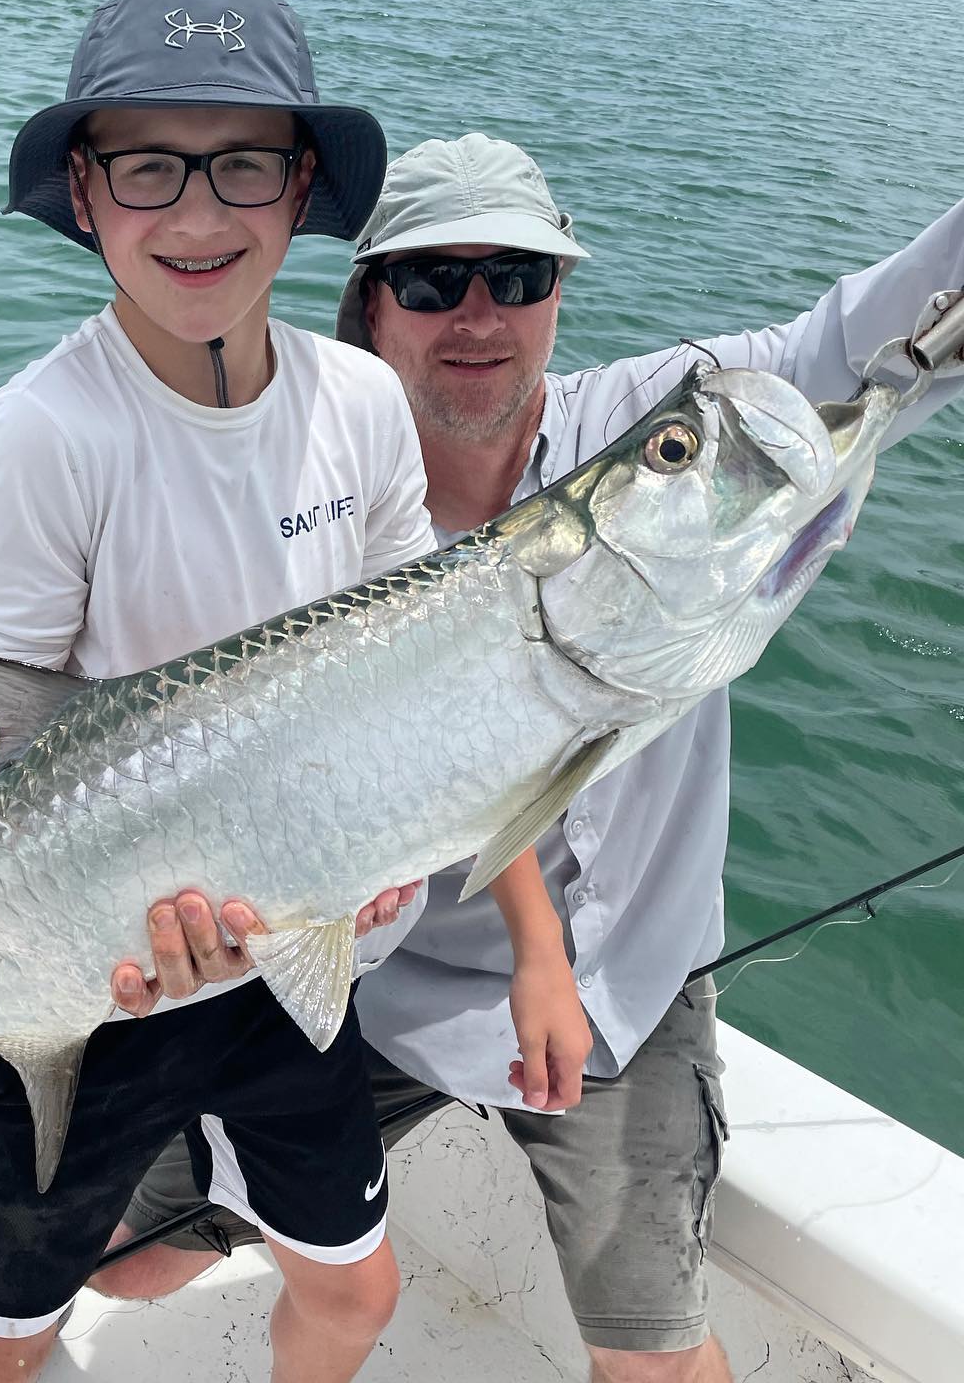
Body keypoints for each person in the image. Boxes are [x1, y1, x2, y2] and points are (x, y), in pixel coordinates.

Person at [100, 133, 964, 1383]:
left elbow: (869, 340)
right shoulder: (308, 511)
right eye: (433, 280)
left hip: (627, 986)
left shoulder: (666, 422)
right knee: (142, 1254)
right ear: (370, 305)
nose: (480, 315)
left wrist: (555, 963)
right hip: (370, 981)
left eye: (518, 275)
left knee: (655, 1359)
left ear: (560, 292)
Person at [0, 0, 588, 1381]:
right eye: (148, 167)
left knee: (355, 1298)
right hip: (89, 967)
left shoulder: (363, 402)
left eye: (244, 163)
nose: (198, 216)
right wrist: (164, 838)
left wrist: (400, 857)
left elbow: (410, 688)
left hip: (289, 966)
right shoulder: (41, 438)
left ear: (301, 186)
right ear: (84, 192)